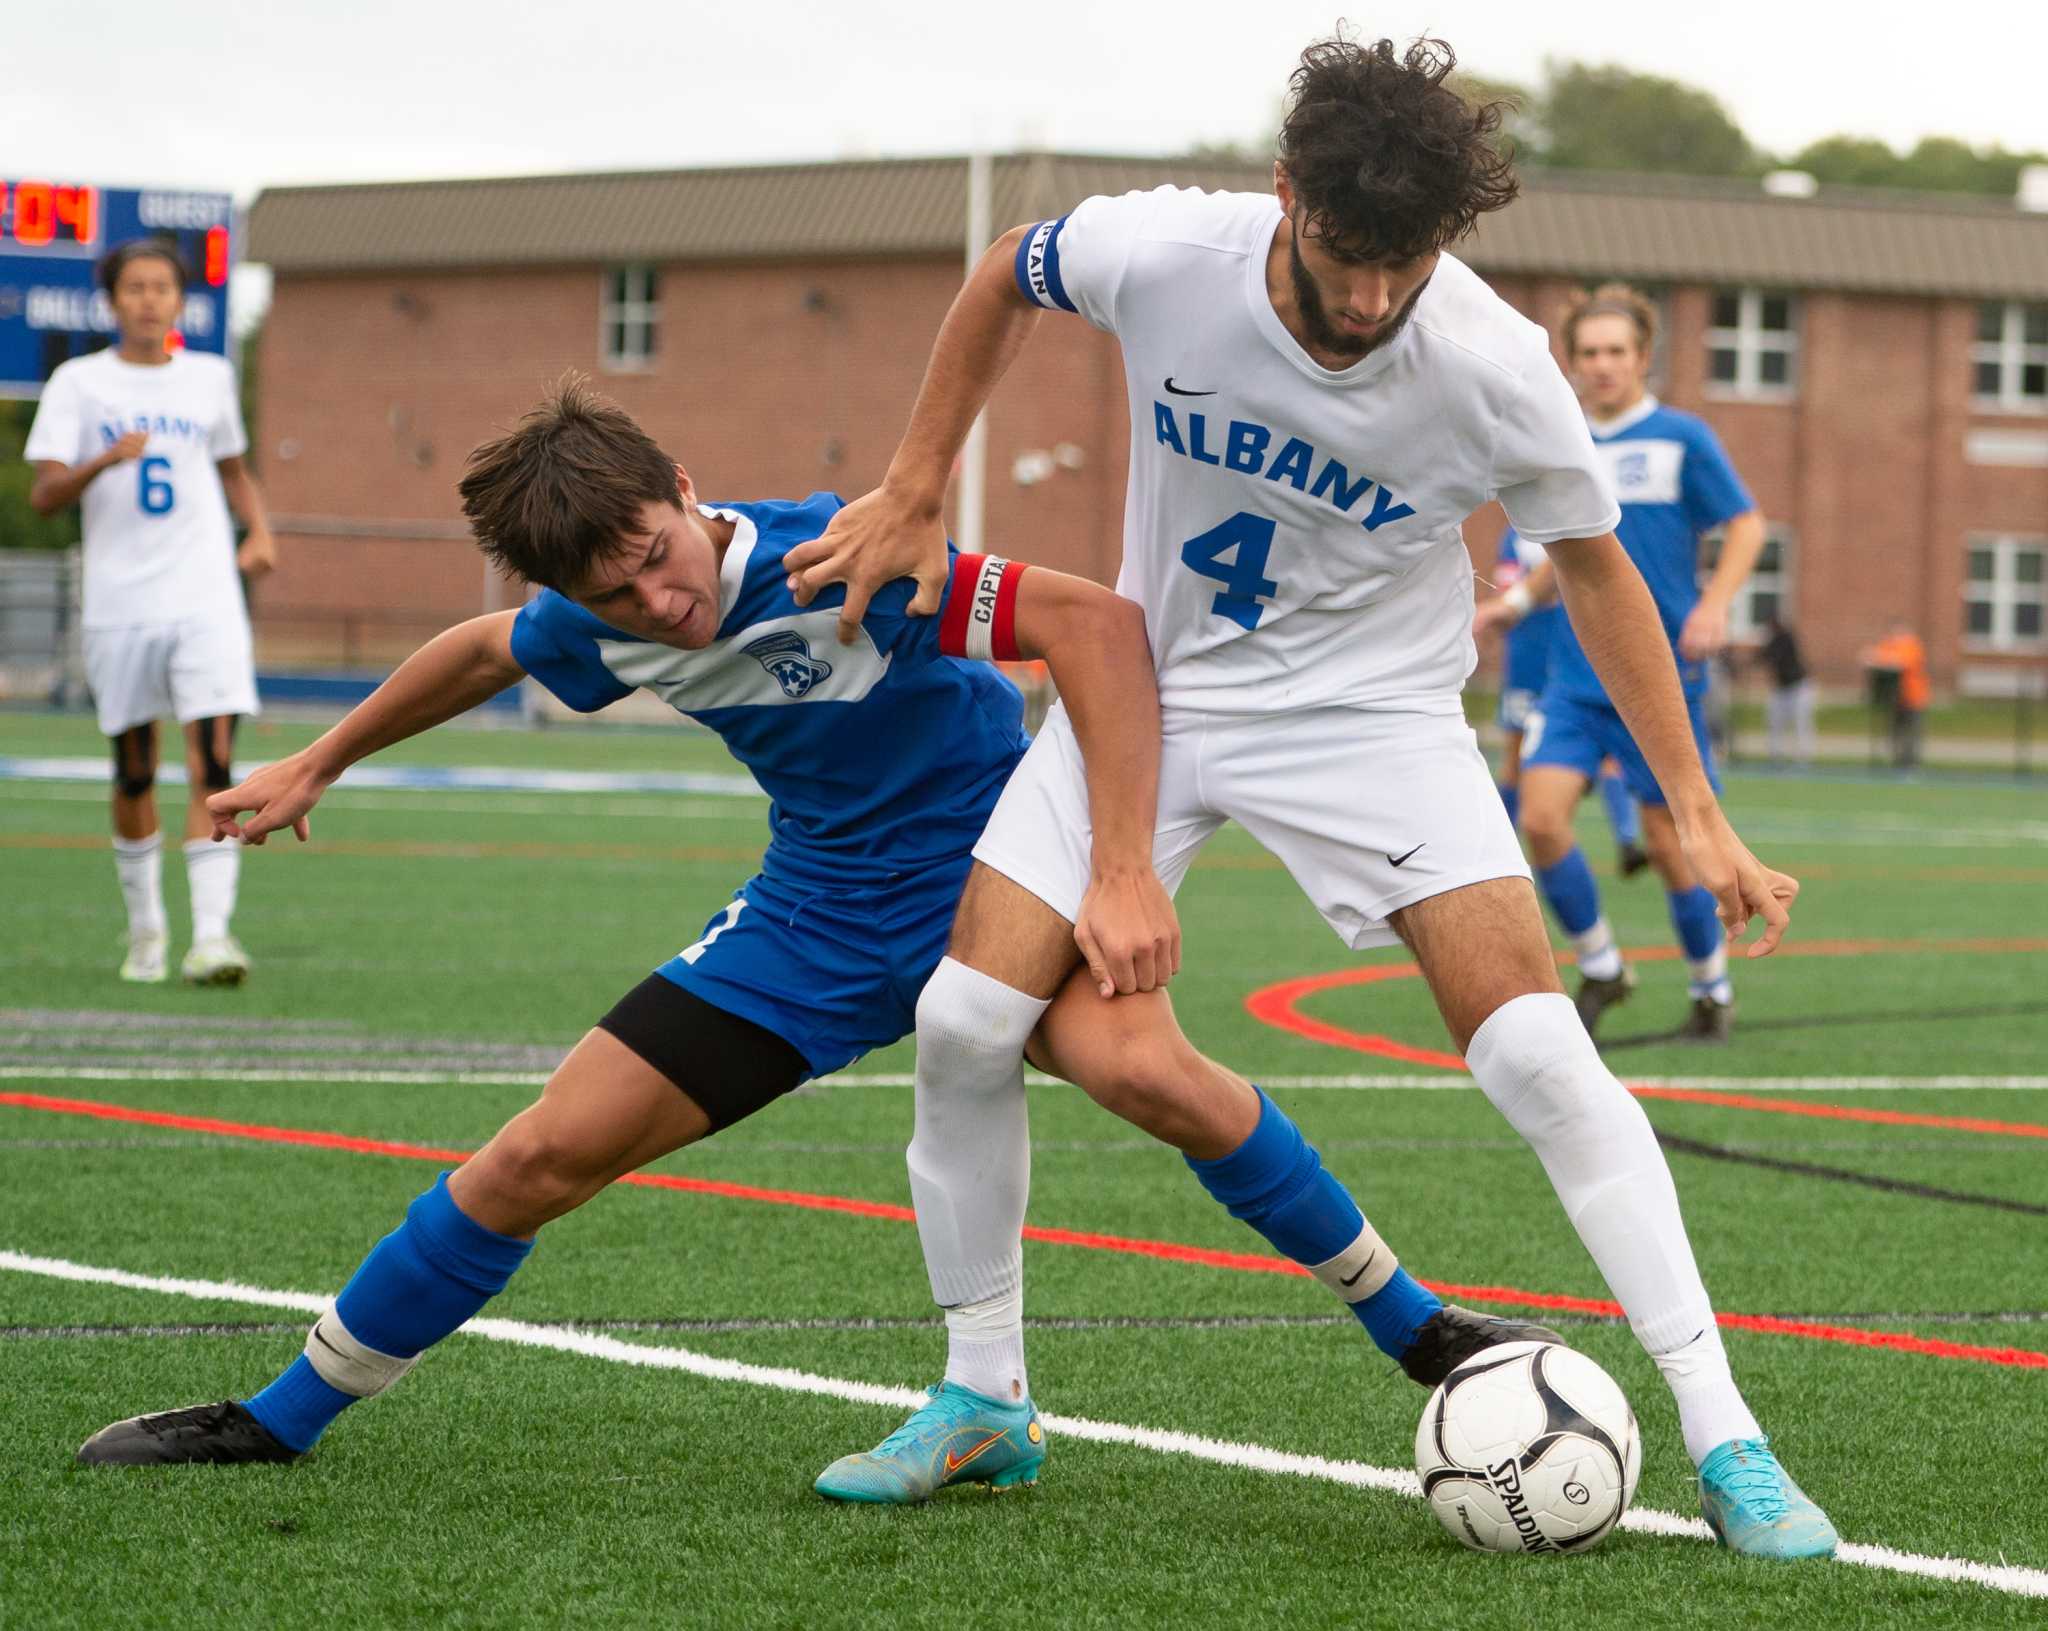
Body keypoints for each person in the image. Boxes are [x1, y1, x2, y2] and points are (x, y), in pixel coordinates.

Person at [74, 381, 1533, 1478]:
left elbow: (1093, 627)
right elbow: (475, 647)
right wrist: (318, 760)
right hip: (817, 915)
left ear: (689, 489)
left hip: (997, 880)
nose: (662, 596)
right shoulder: (594, 619)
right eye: (617, 589)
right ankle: (278, 1416)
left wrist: (1117, 868)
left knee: (1152, 1073)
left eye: (660, 550)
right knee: (538, 1151)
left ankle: (1418, 1327)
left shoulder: (849, 555)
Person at [787, 35, 1833, 1557]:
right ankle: (983, 1396)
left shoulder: (1493, 364)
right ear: (1286, 195)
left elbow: (1600, 574)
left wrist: (1699, 803)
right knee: (960, 1020)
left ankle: (1726, 1430)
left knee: (1540, 1051)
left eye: (1402, 264)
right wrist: (915, 474)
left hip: (1374, 718)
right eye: (1345, 256)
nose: (1366, 300)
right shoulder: (1167, 249)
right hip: (1150, 688)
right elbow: (1006, 271)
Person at [1473, 284, 1767, 1046]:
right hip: (1573, 678)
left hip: (1660, 677)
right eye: (1589, 353)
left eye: (1616, 352)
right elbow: (1567, 557)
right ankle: (1603, 965)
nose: (1602, 365)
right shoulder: (1563, 440)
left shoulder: (1682, 439)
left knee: (1671, 844)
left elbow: (1745, 524)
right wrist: (1511, 605)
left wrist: (1715, 604)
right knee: (1538, 820)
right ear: (1569, 363)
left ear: (1642, 358)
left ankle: (1711, 987)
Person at [26, 240, 278, 986]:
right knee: (134, 769)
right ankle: (146, 931)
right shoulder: (79, 382)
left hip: (203, 596)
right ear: (112, 301)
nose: (147, 299)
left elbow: (234, 468)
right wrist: (102, 461)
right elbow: (43, 495)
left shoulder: (209, 377)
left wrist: (259, 530)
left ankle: (212, 936)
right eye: (134, 287)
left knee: (216, 763)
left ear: (179, 300)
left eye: (161, 287)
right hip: (121, 601)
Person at [1485, 524, 1648, 874]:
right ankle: (1501, 852)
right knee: (1516, 755)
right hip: (1528, 655)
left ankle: (1627, 839)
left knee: (1603, 750)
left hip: (1573, 655)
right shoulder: (1516, 537)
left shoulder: (1579, 523)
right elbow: (1510, 591)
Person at [1863, 621, 1928, 769]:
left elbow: (1901, 662)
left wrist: (1883, 658)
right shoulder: (1889, 645)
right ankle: (1897, 760)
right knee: (1895, 730)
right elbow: (1871, 656)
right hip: (1895, 697)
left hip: (1913, 697)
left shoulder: (1912, 646)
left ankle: (1910, 762)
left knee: (1912, 730)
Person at [1758, 614, 1814, 766]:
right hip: (1780, 688)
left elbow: (1774, 656)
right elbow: (1762, 657)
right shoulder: (1772, 642)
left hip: (1798, 687)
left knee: (1801, 722)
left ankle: (1803, 757)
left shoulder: (1787, 639)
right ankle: (1775, 755)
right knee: (1774, 722)